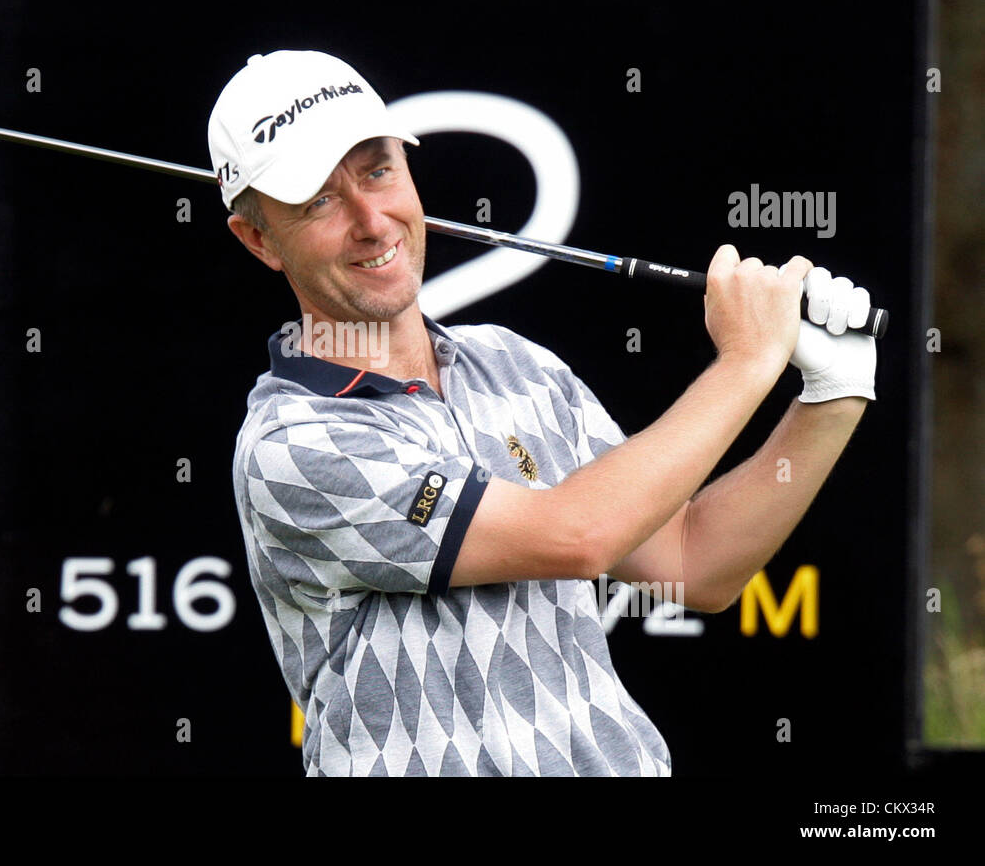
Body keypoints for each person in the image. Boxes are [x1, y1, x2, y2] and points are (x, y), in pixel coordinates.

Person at [211, 50, 876, 776]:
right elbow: (578, 535)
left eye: (378, 171)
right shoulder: (293, 444)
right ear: (257, 239)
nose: (373, 221)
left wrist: (832, 395)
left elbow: (692, 563)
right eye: (318, 201)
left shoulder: (514, 363)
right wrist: (749, 362)